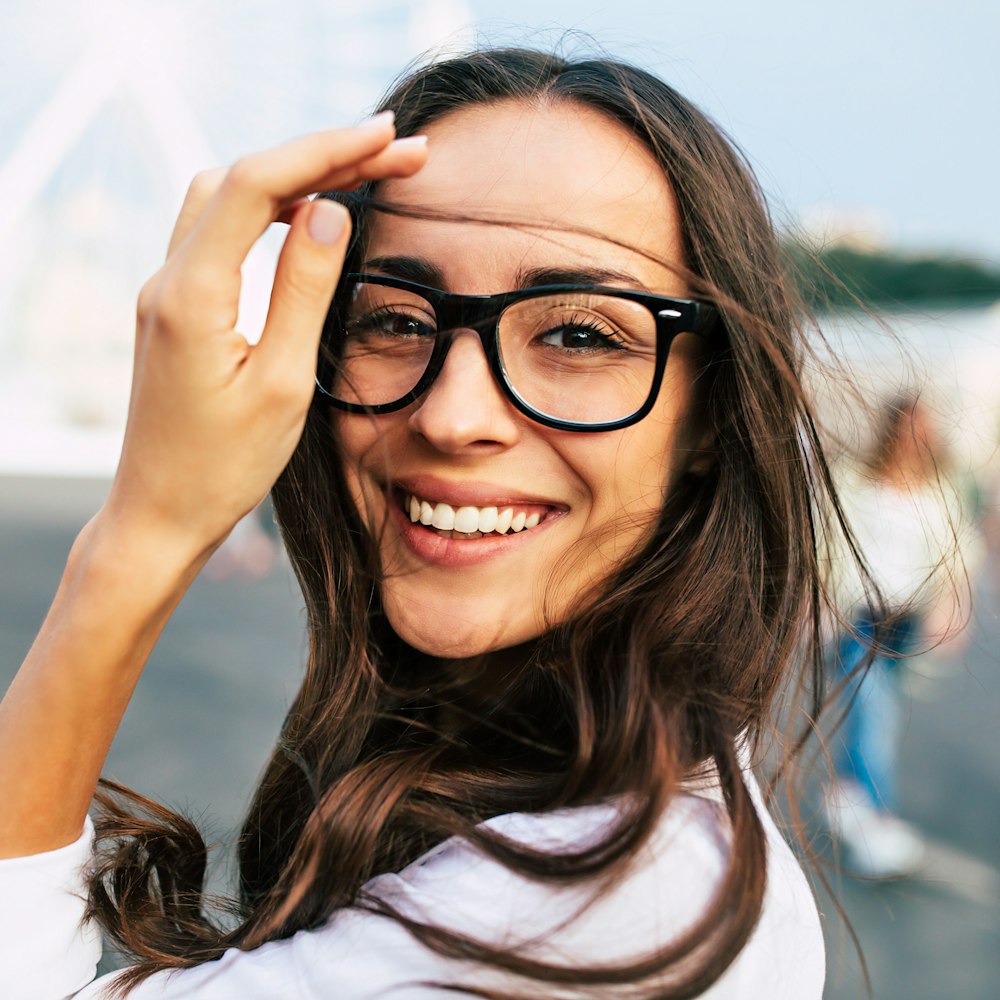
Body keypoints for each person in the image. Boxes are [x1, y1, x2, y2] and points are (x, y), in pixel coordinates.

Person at [0, 48, 840, 998]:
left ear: (713, 413)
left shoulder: (597, 916)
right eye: (397, 321)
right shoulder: (634, 827)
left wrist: (139, 540)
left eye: (577, 334)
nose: (452, 415)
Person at [825, 392, 967, 877]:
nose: (912, 438)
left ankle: (845, 794)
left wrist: (950, 609)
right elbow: (826, 542)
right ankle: (879, 821)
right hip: (859, 616)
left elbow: (957, 554)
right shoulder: (854, 480)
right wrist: (816, 603)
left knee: (869, 712)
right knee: (874, 713)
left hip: (907, 620)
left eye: (919, 429)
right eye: (904, 428)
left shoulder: (940, 490)